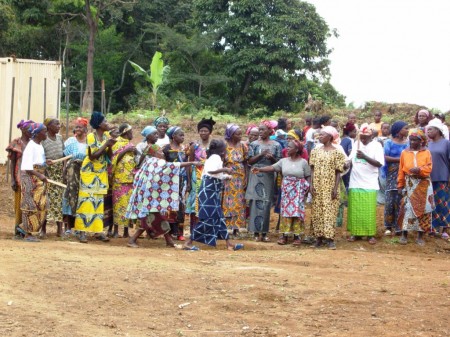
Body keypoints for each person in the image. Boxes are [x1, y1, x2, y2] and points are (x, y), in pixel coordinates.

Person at [126, 145, 199, 248]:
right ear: (154, 152)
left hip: (146, 197)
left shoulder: (149, 162)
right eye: (160, 151)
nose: (162, 153)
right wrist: (191, 163)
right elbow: (172, 166)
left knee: (159, 219)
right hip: (149, 199)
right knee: (149, 219)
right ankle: (132, 240)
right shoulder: (157, 162)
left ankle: (169, 241)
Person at [183, 140, 244, 251]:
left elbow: (214, 174)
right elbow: (211, 171)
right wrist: (225, 170)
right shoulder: (215, 157)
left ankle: (229, 244)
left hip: (211, 192)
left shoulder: (214, 157)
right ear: (221, 150)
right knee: (207, 218)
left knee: (219, 217)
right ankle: (188, 242)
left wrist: (225, 175)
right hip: (209, 193)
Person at [253, 140, 311, 246]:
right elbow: (272, 167)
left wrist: (308, 188)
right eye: (287, 147)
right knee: (285, 212)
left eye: (290, 147)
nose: (287, 149)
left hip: (298, 190)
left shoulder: (303, 162)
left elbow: (308, 176)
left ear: (297, 149)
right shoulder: (283, 161)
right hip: (287, 191)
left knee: (297, 213)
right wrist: (260, 169)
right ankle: (284, 235)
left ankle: (296, 236)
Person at [74, 112, 115, 243]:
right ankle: (81, 231)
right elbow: (92, 156)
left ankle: (98, 231)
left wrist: (109, 145)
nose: (107, 123)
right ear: (99, 124)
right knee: (86, 201)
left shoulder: (106, 136)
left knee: (98, 202)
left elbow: (109, 155)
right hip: (89, 173)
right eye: (105, 121)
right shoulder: (91, 137)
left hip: (101, 173)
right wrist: (105, 144)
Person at [309, 126, 346, 250]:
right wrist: (311, 185)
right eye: (319, 135)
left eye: (322, 135)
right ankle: (318, 238)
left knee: (330, 212)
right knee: (317, 211)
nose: (319, 137)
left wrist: (335, 188)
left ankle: (330, 239)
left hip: (330, 187)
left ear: (330, 137)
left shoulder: (337, 152)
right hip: (317, 186)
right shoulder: (315, 151)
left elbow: (338, 172)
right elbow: (312, 169)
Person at [347, 124, 385, 244]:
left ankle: (370, 234)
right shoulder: (356, 144)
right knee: (355, 209)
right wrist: (346, 163)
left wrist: (364, 156)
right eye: (361, 137)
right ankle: (356, 233)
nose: (363, 140)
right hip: (355, 180)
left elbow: (379, 163)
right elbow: (350, 159)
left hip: (369, 182)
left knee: (368, 210)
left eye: (365, 138)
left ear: (371, 136)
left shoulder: (377, 146)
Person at [246, 121, 282, 242]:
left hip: (269, 176)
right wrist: (261, 155)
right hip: (256, 174)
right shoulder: (254, 144)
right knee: (255, 203)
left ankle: (265, 232)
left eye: (263, 130)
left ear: (270, 131)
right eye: (259, 130)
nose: (260, 132)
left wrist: (271, 158)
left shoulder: (276, 145)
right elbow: (249, 161)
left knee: (266, 203)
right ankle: (255, 232)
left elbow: (279, 163)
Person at [398, 129, 433, 246]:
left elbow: (429, 168)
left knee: (424, 210)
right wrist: (400, 184)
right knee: (406, 207)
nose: (412, 142)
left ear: (421, 141)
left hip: (423, 184)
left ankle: (420, 235)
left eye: (415, 140)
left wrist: (420, 170)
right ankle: (404, 234)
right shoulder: (404, 153)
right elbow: (401, 170)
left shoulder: (426, 153)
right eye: (411, 140)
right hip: (409, 183)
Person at [19, 123, 48, 242]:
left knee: (41, 204)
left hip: (38, 178)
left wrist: (46, 162)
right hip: (31, 179)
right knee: (30, 205)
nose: (46, 134)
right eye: (44, 131)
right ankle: (27, 233)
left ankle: (30, 231)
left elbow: (37, 161)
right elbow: (27, 167)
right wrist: (40, 175)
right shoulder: (31, 146)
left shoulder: (39, 145)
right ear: (38, 133)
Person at [186, 118, 216, 233]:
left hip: (209, 176)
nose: (203, 133)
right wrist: (189, 182)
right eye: (201, 131)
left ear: (210, 132)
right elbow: (189, 163)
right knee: (196, 202)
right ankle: (194, 229)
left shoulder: (214, 146)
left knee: (207, 200)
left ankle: (206, 229)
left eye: (206, 131)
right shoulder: (195, 146)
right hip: (196, 177)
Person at [6, 119, 33, 238]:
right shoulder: (17, 142)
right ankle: (18, 229)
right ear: (22, 129)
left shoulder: (33, 142)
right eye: (29, 129)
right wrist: (12, 179)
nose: (31, 131)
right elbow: (12, 162)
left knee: (29, 204)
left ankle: (27, 228)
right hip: (19, 176)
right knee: (19, 204)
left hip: (31, 177)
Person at [163, 126, 190, 241]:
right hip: (168, 181)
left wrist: (188, 181)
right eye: (180, 135)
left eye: (183, 135)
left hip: (181, 181)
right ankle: (168, 232)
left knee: (180, 206)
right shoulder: (166, 149)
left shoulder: (185, 149)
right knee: (168, 206)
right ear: (173, 136)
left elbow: (188, 165)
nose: (183, 137)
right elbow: (162, 165)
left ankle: (179, 232)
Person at [62, 118, 88, 233]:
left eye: (80, 127)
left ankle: (79, 226)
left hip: (85, 172)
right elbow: (65, 158)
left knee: (81, 197)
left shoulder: (89, 142)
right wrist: (64, 172)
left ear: (86, 130)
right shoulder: (70, 141)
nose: (77, 129)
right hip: (71, 171)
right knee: (69, 196)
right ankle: (68, 227)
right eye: (76, 127)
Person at [383, 121, 409, 235]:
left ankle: (399, 226)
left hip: (404, 173)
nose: (408, 130)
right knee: (390, 200)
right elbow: (385, 157)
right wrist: (401, 160)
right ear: (398, 130)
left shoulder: (408, 143)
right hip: (391, 173)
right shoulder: (389, 142)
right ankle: (388, 226)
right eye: (405, 128)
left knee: (401, 200)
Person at [111, 123, 136, 238]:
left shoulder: (130, 144)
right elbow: (113, 159)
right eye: (131, 132)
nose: (132, 134)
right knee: (117, 205)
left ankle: (126, 231)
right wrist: (125, 151)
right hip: (119, 179)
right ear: (126, 133)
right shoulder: (116, 143)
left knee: (128, 206)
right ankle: (116, 230)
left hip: (130, 179)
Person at [41, 117, 65, 237]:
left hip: (59, 173)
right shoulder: (43, 139)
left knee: (59, 201)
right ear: (48, 126)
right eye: (56, 124)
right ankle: (43, 229)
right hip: (47, 173)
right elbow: (39, 157)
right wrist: (45, 161)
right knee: (46, 200)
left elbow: (64, 154)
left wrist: (64, 169)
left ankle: (59, 229)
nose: (59, 126)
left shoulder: (60, 138)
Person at [426, 118, 450, 239]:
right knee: (432, 203)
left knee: (443, 203)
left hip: (442, 177)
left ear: (438, 130)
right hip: (429, 178)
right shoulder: (428, 144)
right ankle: (433, 228)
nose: (428, 131)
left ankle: (445, 228)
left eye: (430, 129)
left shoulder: (446, 143)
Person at [222, 124, 248, 235]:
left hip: (240, 176)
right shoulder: (224, 146)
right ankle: (228, 226)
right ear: (231, 135)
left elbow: (246, 162)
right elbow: (222, 162)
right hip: (228, 177)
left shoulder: (242, 146)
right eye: (238, 134)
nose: (240, 136)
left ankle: (237, 227)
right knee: (228, 201)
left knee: (240, 201)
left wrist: (246, 176)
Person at [340, 122, 357, 191]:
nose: (355, 134)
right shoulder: (350, 140)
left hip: (342, 163)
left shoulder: (342, 139)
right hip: (348, 164)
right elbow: (351, 152)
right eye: (354, 132)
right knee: (348, 182)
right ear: (349, 132)